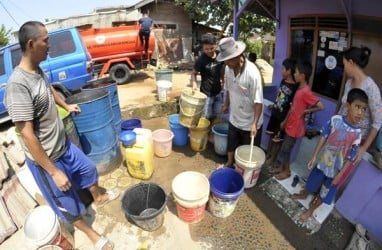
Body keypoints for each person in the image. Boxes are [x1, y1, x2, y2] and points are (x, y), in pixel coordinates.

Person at [4, 21, 118, 250]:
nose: (49, 45)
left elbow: (49, 89)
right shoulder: (17, 86)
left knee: (88, 169)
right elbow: (27, 135)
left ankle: (98, 197)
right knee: (67, 203)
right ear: (31, 43)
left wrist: (67, 104)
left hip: (63, 146)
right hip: (47, 160)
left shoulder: (37, 70)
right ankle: (94, 237)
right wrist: (54, 172)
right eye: (45, 40)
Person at [293, 88, 368, 221]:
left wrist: (340, 175)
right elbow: (323, 137)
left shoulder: (357, 134)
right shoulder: (335, 120)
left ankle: (311, 210)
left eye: (363, 109)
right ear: (348, 105)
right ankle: (305, 194)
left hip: (336, 170)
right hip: (322, 163)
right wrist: (314, 155)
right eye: (357, 107)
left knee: (324, 193)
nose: (360, 113)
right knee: (311, 182)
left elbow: (351, 157)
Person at [336, 46, 382, 186]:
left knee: (341, 172)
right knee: (330, 164)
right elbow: (344, 107)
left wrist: (363, 149)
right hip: (340, 133)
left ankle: (326, 196)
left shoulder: (371, 88)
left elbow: (378, 122)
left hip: (357, 140)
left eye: (344, 64)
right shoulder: (349, 83)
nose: (344, 68)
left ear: (351, 62)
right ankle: (318, 191)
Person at [272, 61, 324, 180]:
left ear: (303, 75)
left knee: (286, 149)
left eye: (296, 72)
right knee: (286, 149)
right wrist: (285, 121)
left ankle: (287, 171)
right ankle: (282, 168)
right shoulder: (299, 89)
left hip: (296, 127)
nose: (294, 74)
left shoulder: (306, 91)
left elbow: (321, 106)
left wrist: (305, 111)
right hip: (290, 124)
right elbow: (293, 107)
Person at [216, 37, 263, 168]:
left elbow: (258, 101)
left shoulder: (252, 74)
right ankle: (230, 162)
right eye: (225, 60)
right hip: (234, 117)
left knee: (247, 151)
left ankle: (243, 171)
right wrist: (226, 104)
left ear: (238, 56)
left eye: (229, 59)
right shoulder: (228, 68)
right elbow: (229, 88)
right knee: (231, 142)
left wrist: (254, 124)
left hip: (250, 121)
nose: (226, 63)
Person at [266, 58, 298, 172]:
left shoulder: (295, 87)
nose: (281, 71)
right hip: (275, 112)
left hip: (282, 118)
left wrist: (285, 120)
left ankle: (273, 159)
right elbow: (279, 96)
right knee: (270, 135)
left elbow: (292, 106)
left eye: (283, 69)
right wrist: (274, 105)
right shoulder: (283, 81)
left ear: (289, 71)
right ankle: (268, 154)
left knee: (277, 140)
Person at [191, 33, 224, 120]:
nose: (209, 51)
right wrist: (194, 84)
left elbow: (222, 71)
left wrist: (224, 83)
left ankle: (214, 132)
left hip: (218, 92)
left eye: (211, 48)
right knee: (206, 117)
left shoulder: (220, 56)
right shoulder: (201, 60)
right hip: (206, 94)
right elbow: (194, 73)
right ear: (203, 47)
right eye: (206, 49)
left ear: (216, 45)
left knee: (218, 115)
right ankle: (205, 132)